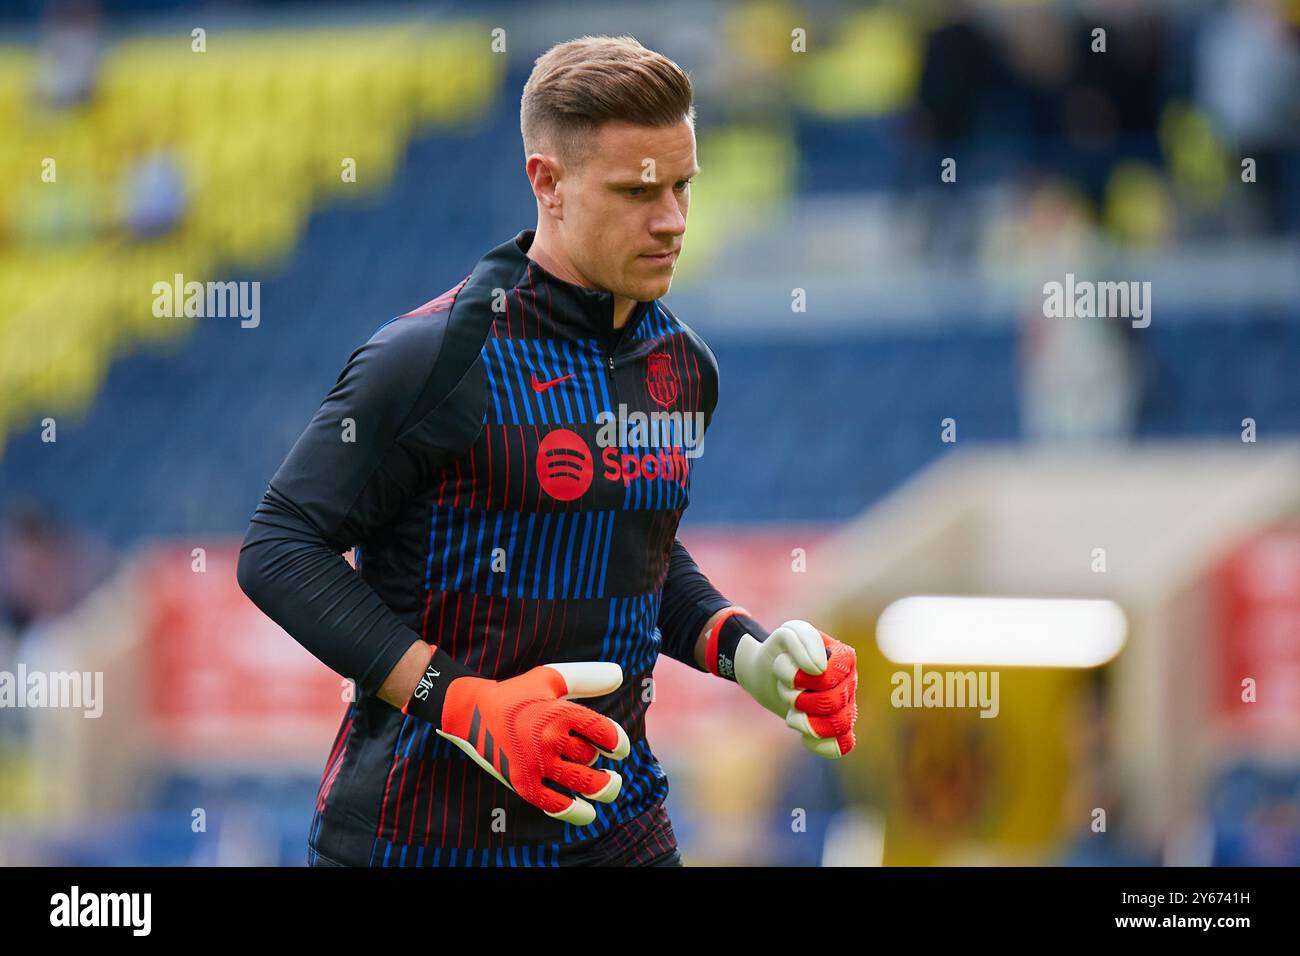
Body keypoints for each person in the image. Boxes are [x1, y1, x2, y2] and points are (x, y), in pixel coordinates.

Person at [237, 35, 858, 868]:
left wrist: (741, 648)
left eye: (681, 186)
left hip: (618, 827)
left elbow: (638, 553)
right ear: (548, 183)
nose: (672, 219)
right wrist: (464, 704)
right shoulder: (430, 359)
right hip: (418, 841)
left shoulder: (685, 370)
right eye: (638, 191)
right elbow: (278, 549)